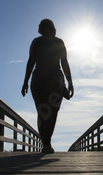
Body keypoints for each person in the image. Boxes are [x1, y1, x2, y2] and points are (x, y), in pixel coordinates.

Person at [22, 19, 74, 154]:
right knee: (51, 112)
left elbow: (31, 62)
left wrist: (25, 82)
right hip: (52, 81)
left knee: (43, 112)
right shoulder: (57, 42)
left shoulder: (38, 42)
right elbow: (64, 63)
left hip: (41, 81)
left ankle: (46, 143)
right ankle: (47, 143)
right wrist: (69, 82)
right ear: (53, 28)